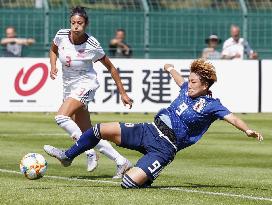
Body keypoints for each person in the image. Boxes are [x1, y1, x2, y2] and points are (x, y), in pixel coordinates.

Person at [44, 59, 263, 188]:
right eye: (190, 80)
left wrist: (248, 130)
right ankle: (68, 156)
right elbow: (179, 78)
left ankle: (145, 171)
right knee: (97, 130)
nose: (189, 85)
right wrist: (169, 69)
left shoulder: (212, 105)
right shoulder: (186, 89)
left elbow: (232, 117)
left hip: (164, 148)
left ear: (205, 85)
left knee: (128, 184)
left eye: (194, 82)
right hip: (149, 130)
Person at [49, 6, 133, 178]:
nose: (75, 26)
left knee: (61, 117)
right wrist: (53, 66)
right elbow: (53, 50)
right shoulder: (62, 35)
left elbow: (111, 68)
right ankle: (121, 162)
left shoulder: (92, 44)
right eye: (73, 23)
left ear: (86, 24)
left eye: (79, 23)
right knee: (88, 133)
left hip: (86, 84)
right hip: (68, 86)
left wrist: (123, 93)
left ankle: (88, 153)